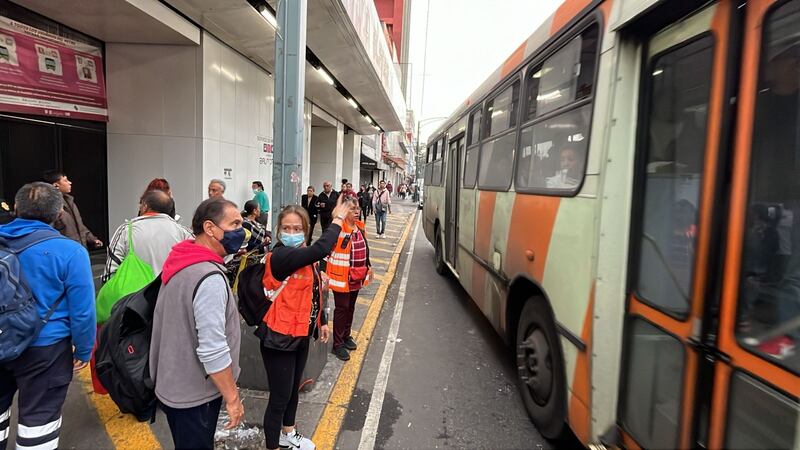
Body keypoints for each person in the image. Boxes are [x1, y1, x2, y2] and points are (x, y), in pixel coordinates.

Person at [0, 182, 96, 450]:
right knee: (38, 423)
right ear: (58, 214)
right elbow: (83, 311)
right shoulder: (70, 252)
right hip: (45, 350)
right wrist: (84, 350)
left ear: (16, 208)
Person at [150, 198, 246, 449]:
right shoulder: (208, 277)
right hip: (194, 394)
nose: (241, 231)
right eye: (234, 224)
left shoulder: (182, 259)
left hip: (173, 384)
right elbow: (212, 349)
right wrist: (232, 397)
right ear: (210, 228)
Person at [259, 198, 352, 450]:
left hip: (299, 334)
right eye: (286, 228)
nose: (291, 233)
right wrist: (337, 219)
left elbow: (315, 292)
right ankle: (272, 446)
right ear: (278, 231)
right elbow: (322, 248)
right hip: (278, 337)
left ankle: (287, 433)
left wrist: (322, 322)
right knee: (279, 398)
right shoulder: (282, 256)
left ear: (306, 230)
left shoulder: (305, 256)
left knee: (291, 392)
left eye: (296, 228)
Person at [103, 190, 193, 282]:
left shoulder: (126, 230)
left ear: (145, 207)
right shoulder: (183, 232)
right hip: (170, 292)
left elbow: (110, 271)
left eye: (140, 205)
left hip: (134, 293)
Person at [326, 196, 372, 361]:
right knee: (342, 309)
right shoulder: (339, 228)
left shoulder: (359, 226)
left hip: (357, 276)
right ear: (344, 211)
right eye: (352, 209)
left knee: (351, 307)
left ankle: (346, 336)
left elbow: (365, 248)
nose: (357, 211)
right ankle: (337, 344)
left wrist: (369, 265)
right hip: (342, 277)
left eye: (357, 208)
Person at [43, 169, 103, 250]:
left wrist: (92, 238)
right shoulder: (49, 205)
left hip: (78, 249)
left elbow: (79, 225)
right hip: (64, 251)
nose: (70, 183)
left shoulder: (69, 201)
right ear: (56, 185)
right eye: (65, 180)